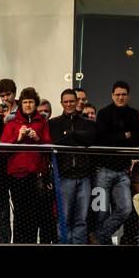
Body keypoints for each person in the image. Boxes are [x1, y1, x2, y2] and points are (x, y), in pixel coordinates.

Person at [2, 86, 51, 244]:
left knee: (34, 215)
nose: (28, 105)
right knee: (20, 215)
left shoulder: (42, 122)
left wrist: (38, 139)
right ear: (21, 104)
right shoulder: (12, 123)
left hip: (36, 176)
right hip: (17, 176)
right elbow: (3, 148)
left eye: (31, 102)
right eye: (25, 102)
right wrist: (18, 137)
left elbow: (50, 146)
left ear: (35, 104)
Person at [92, 81, 139, 244]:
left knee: (125, 209)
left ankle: (98, 237)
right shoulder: (104, 113)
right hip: (103, 170)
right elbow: (102, 139)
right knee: (101, 212)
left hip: (123, 171)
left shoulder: (133, 114)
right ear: (112, 95)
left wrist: (116, 137)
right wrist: (124, 135)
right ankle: (103, 241)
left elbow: (136, 139)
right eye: (117, 94)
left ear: (128, 96)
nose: (120, 97)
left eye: (123, 94)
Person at [50, 87, 95, 244]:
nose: (69, 104)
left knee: (81, 218)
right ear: (61, 103)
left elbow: (90, 139)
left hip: (84, 176)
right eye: (66, 102)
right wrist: (76, 138)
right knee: (65, 216)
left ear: (77, 102)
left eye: (71, 101)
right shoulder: (54, 123)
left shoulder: (87, 123)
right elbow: (57, 141)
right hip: (64, 175)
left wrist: (70, 134)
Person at [0, 77, 18, 243]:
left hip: (16, 166)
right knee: (2, 210)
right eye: (2, 96)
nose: (5, 99)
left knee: (20, 209)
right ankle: (4, 241)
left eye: (8, 94)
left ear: (14, 93)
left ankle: (20, 240)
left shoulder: (22, 110)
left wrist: (10, 118)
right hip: (0, 168)